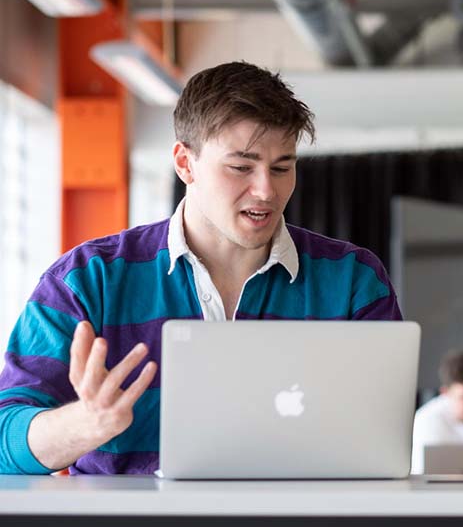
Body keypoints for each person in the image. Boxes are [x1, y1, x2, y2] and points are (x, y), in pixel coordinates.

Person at [0, 61, 401, 475]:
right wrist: (84, 425)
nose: (266, 190)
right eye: (241, 167)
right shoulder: (87, 278)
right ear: (185, 163)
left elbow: (384, 434)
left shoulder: (354, 279)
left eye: (282, 167)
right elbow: (3, 439)